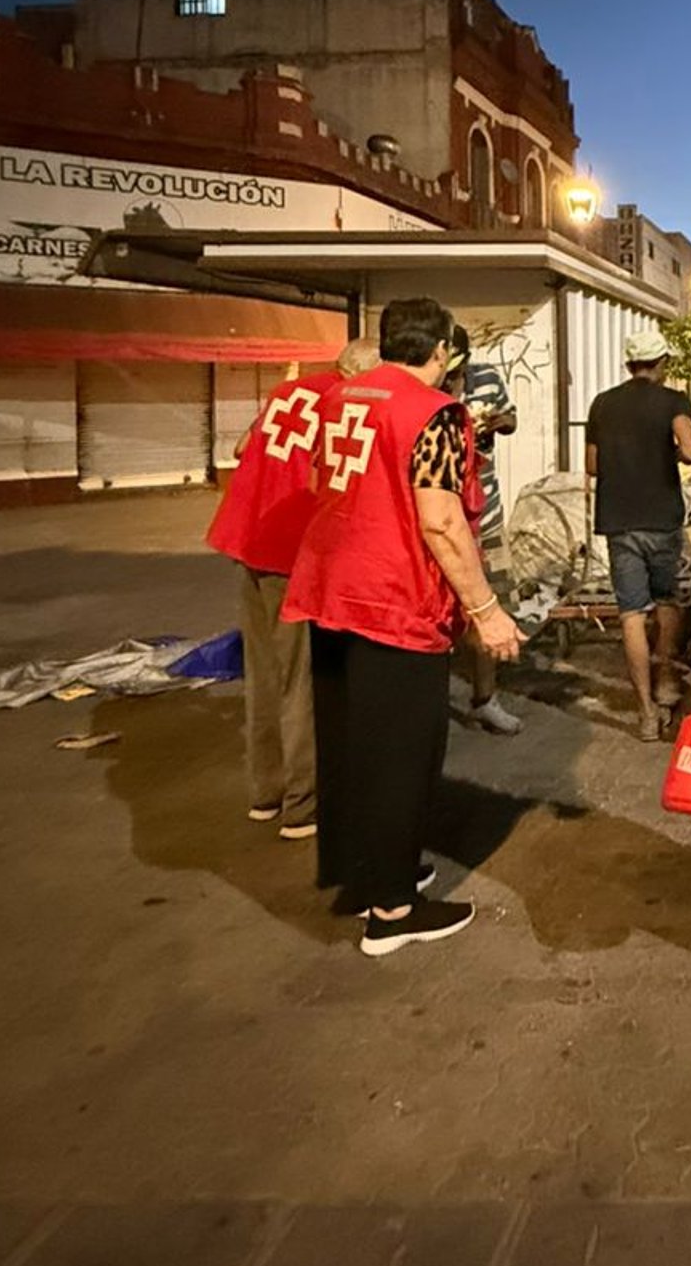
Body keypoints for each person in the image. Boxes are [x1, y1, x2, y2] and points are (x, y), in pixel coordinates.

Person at [284, 297, 523, 955]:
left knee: (350, 748)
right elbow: (441, 521)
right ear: (442, 350)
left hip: (329, 591)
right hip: (392, 601)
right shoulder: (435, 414)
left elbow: (316, 479)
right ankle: (391, 913)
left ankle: (366, 874)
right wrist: (486, 611)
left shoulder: (340, 397)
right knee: (401, 758)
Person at [203, 339, 373, 840]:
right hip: (294, 554)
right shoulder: (347, 404)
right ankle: (303, 805)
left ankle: (266, 792)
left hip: (250, 541)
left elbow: (240, 449)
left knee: (264, 675)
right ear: (360, 374)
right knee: (304, 680)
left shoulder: (288, 392)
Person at [585, 328, 691, 740]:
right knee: (669, 599)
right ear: (662, 364)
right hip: (662, 518)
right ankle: (667, 675)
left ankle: (646, 712)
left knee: (632, 613)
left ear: (629, 364)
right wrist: (665, 451)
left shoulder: (603, 404)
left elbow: (594, 465)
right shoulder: (672, 400)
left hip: (618, 520)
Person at [446, 327, 524, 736]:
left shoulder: (487, 378)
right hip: (442, 514)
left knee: (489, 604)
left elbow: (511, 418)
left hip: (486, 511)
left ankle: (485, 698)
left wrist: (497, 422)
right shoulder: (427, 389)